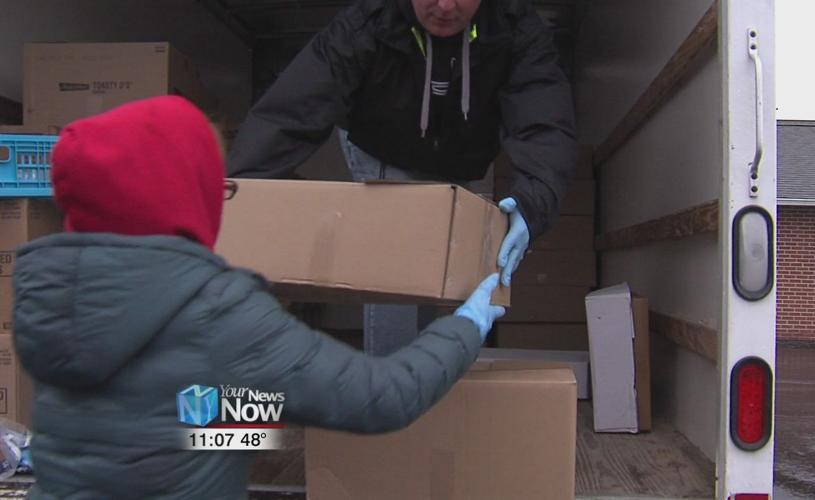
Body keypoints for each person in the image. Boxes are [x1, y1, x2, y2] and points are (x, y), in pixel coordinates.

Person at [12, 96, 505, 499]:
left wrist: (264, 411)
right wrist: (467, 324)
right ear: (182, 196)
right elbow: (384, 396)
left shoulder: (56, 300)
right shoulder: (215, 310)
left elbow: (166, 417)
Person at [227, 0, 577, 353]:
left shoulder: (515, 27)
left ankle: (416, 372)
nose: (444, 5)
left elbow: (543, 121)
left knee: (432, 261)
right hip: (380, 143)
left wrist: (534, 204)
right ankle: (388, 379)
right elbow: (291, 110)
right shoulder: (369, 21)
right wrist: (235, 187)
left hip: (456, 155)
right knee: (398, 254)